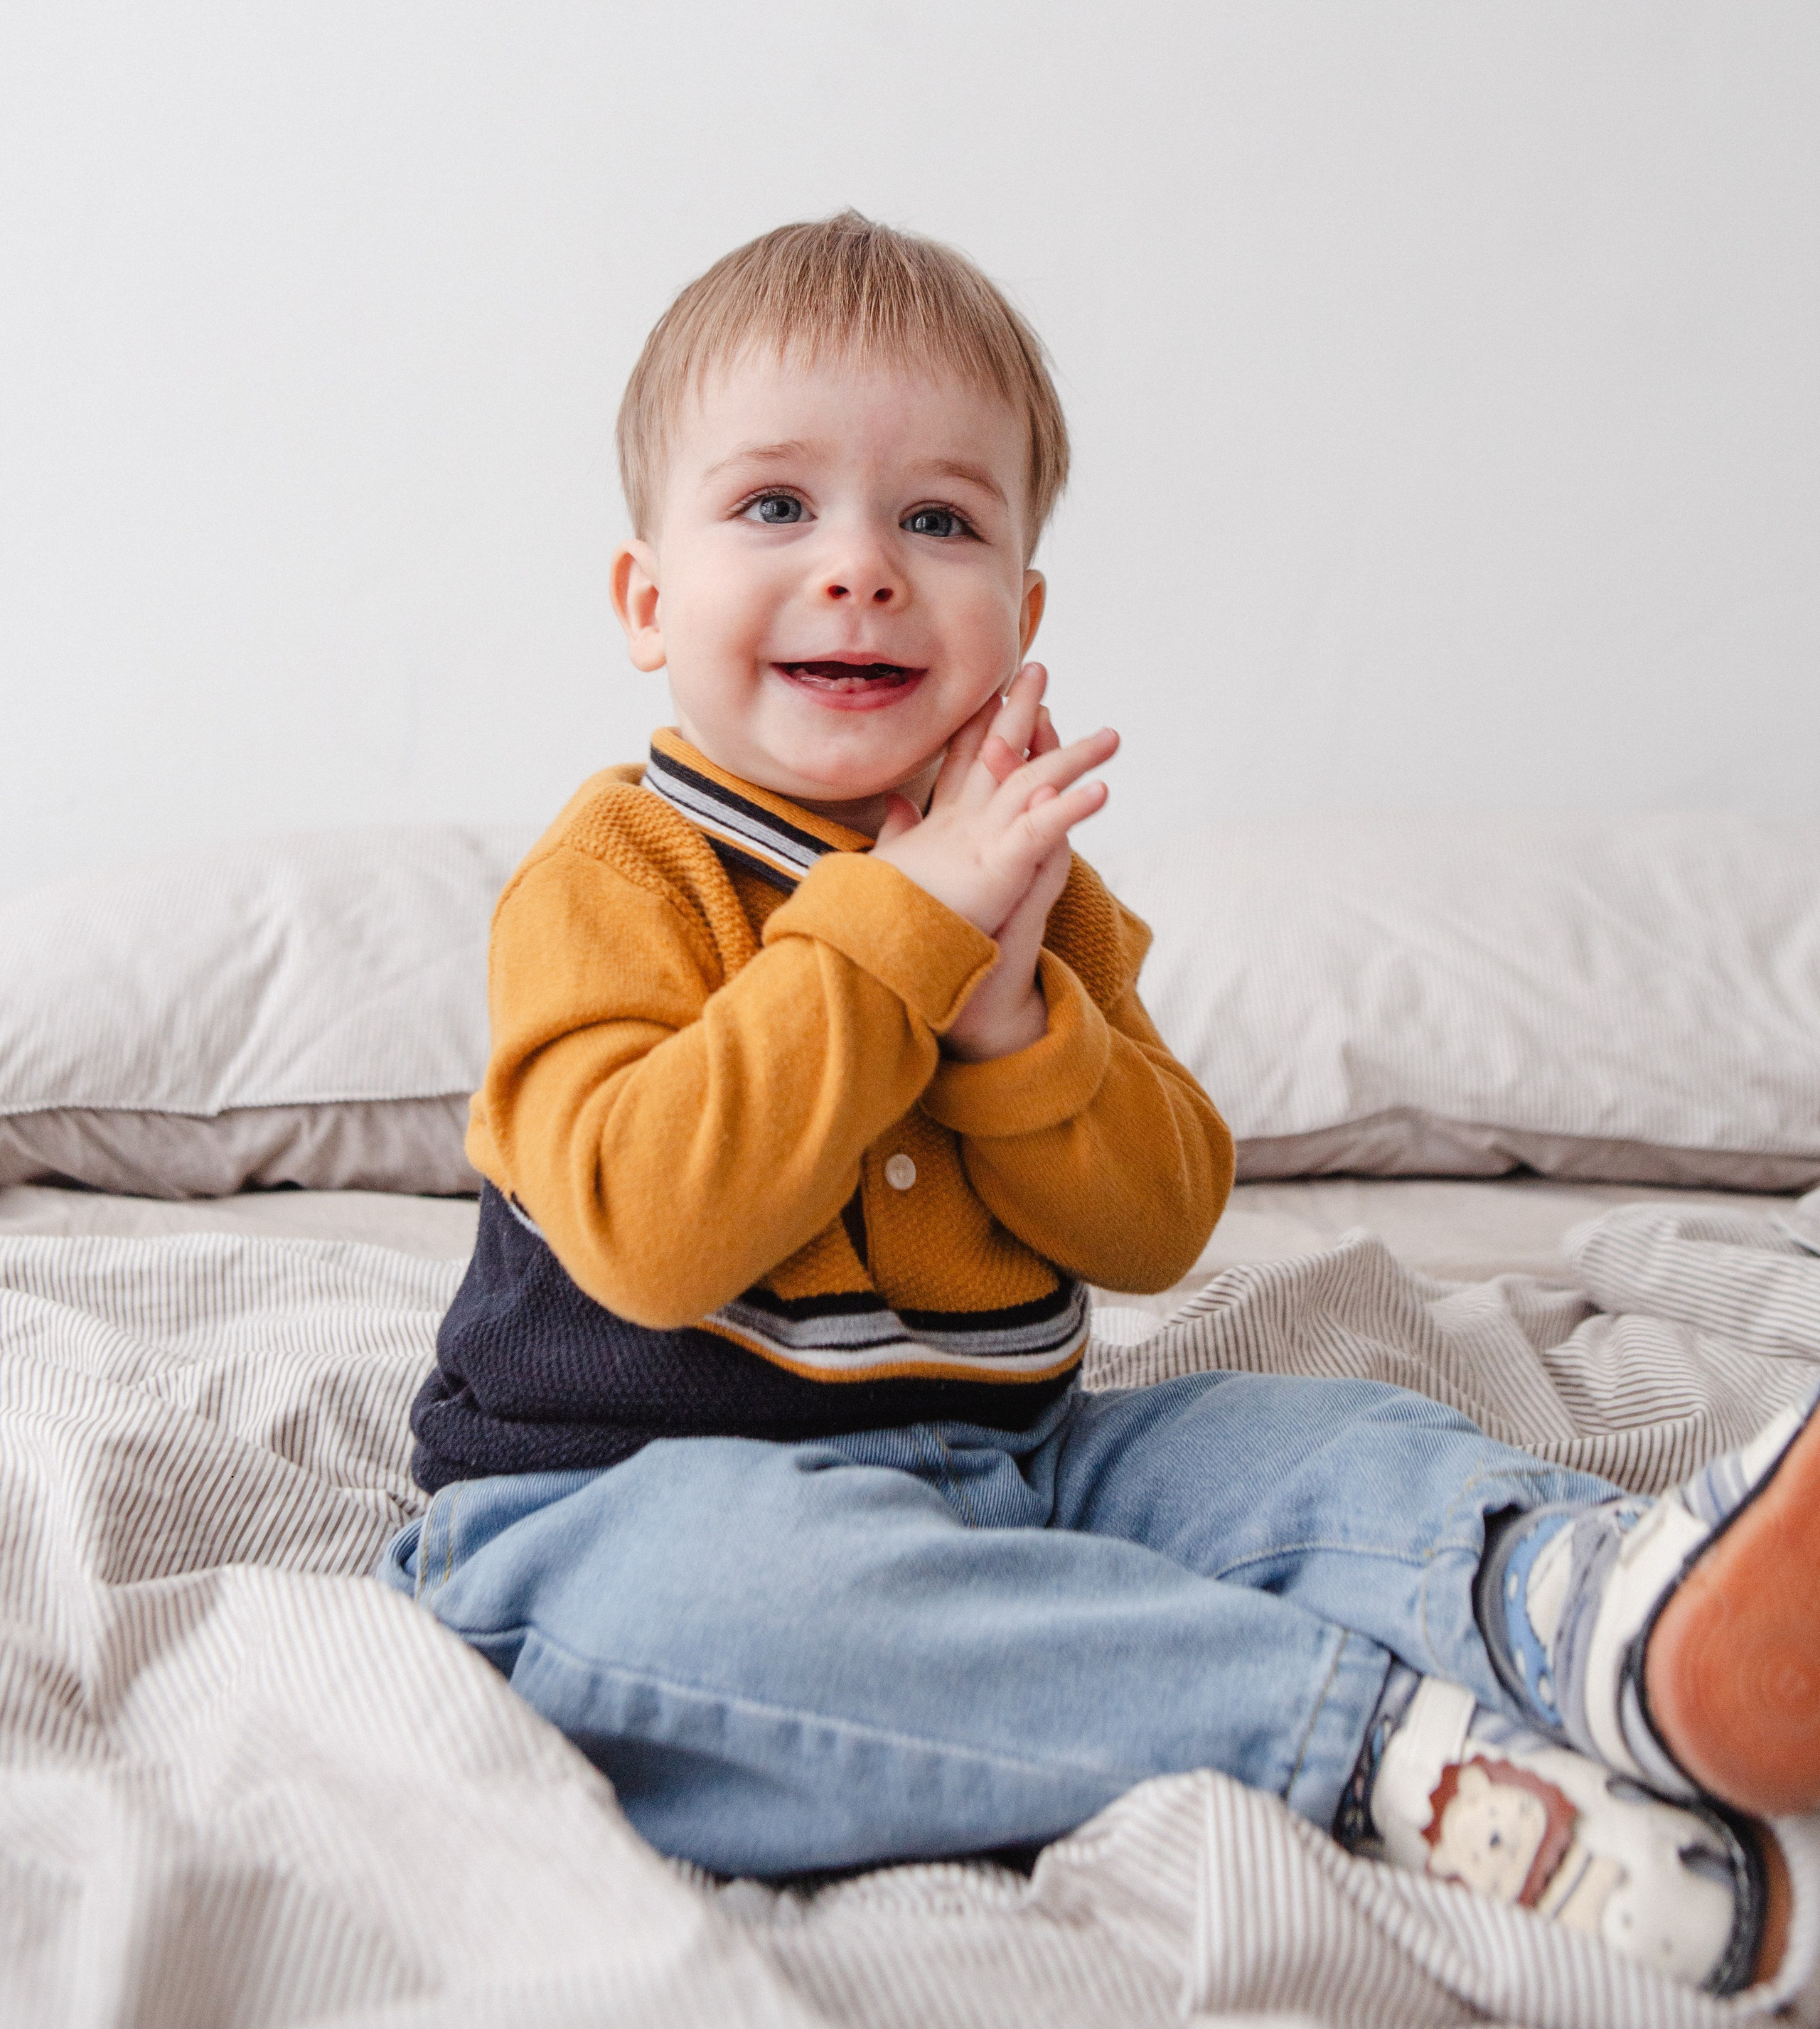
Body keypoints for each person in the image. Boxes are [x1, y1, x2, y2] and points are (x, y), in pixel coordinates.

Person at [382, 213, 1818, 1995]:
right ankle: (1391, 1751)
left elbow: (1152, 1229)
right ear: (645, 600)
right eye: (773, 508)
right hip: (614, 1509)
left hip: (1007, 1465)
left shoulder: (1038, 894)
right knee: (742, 1620)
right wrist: (900, 935)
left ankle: (1599, 1610)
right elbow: (651, 1234)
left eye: (939, 519)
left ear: (1023, 615)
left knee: (1296, 1441)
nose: (860, 569)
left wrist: (1011, 1033)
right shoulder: (616, 870)